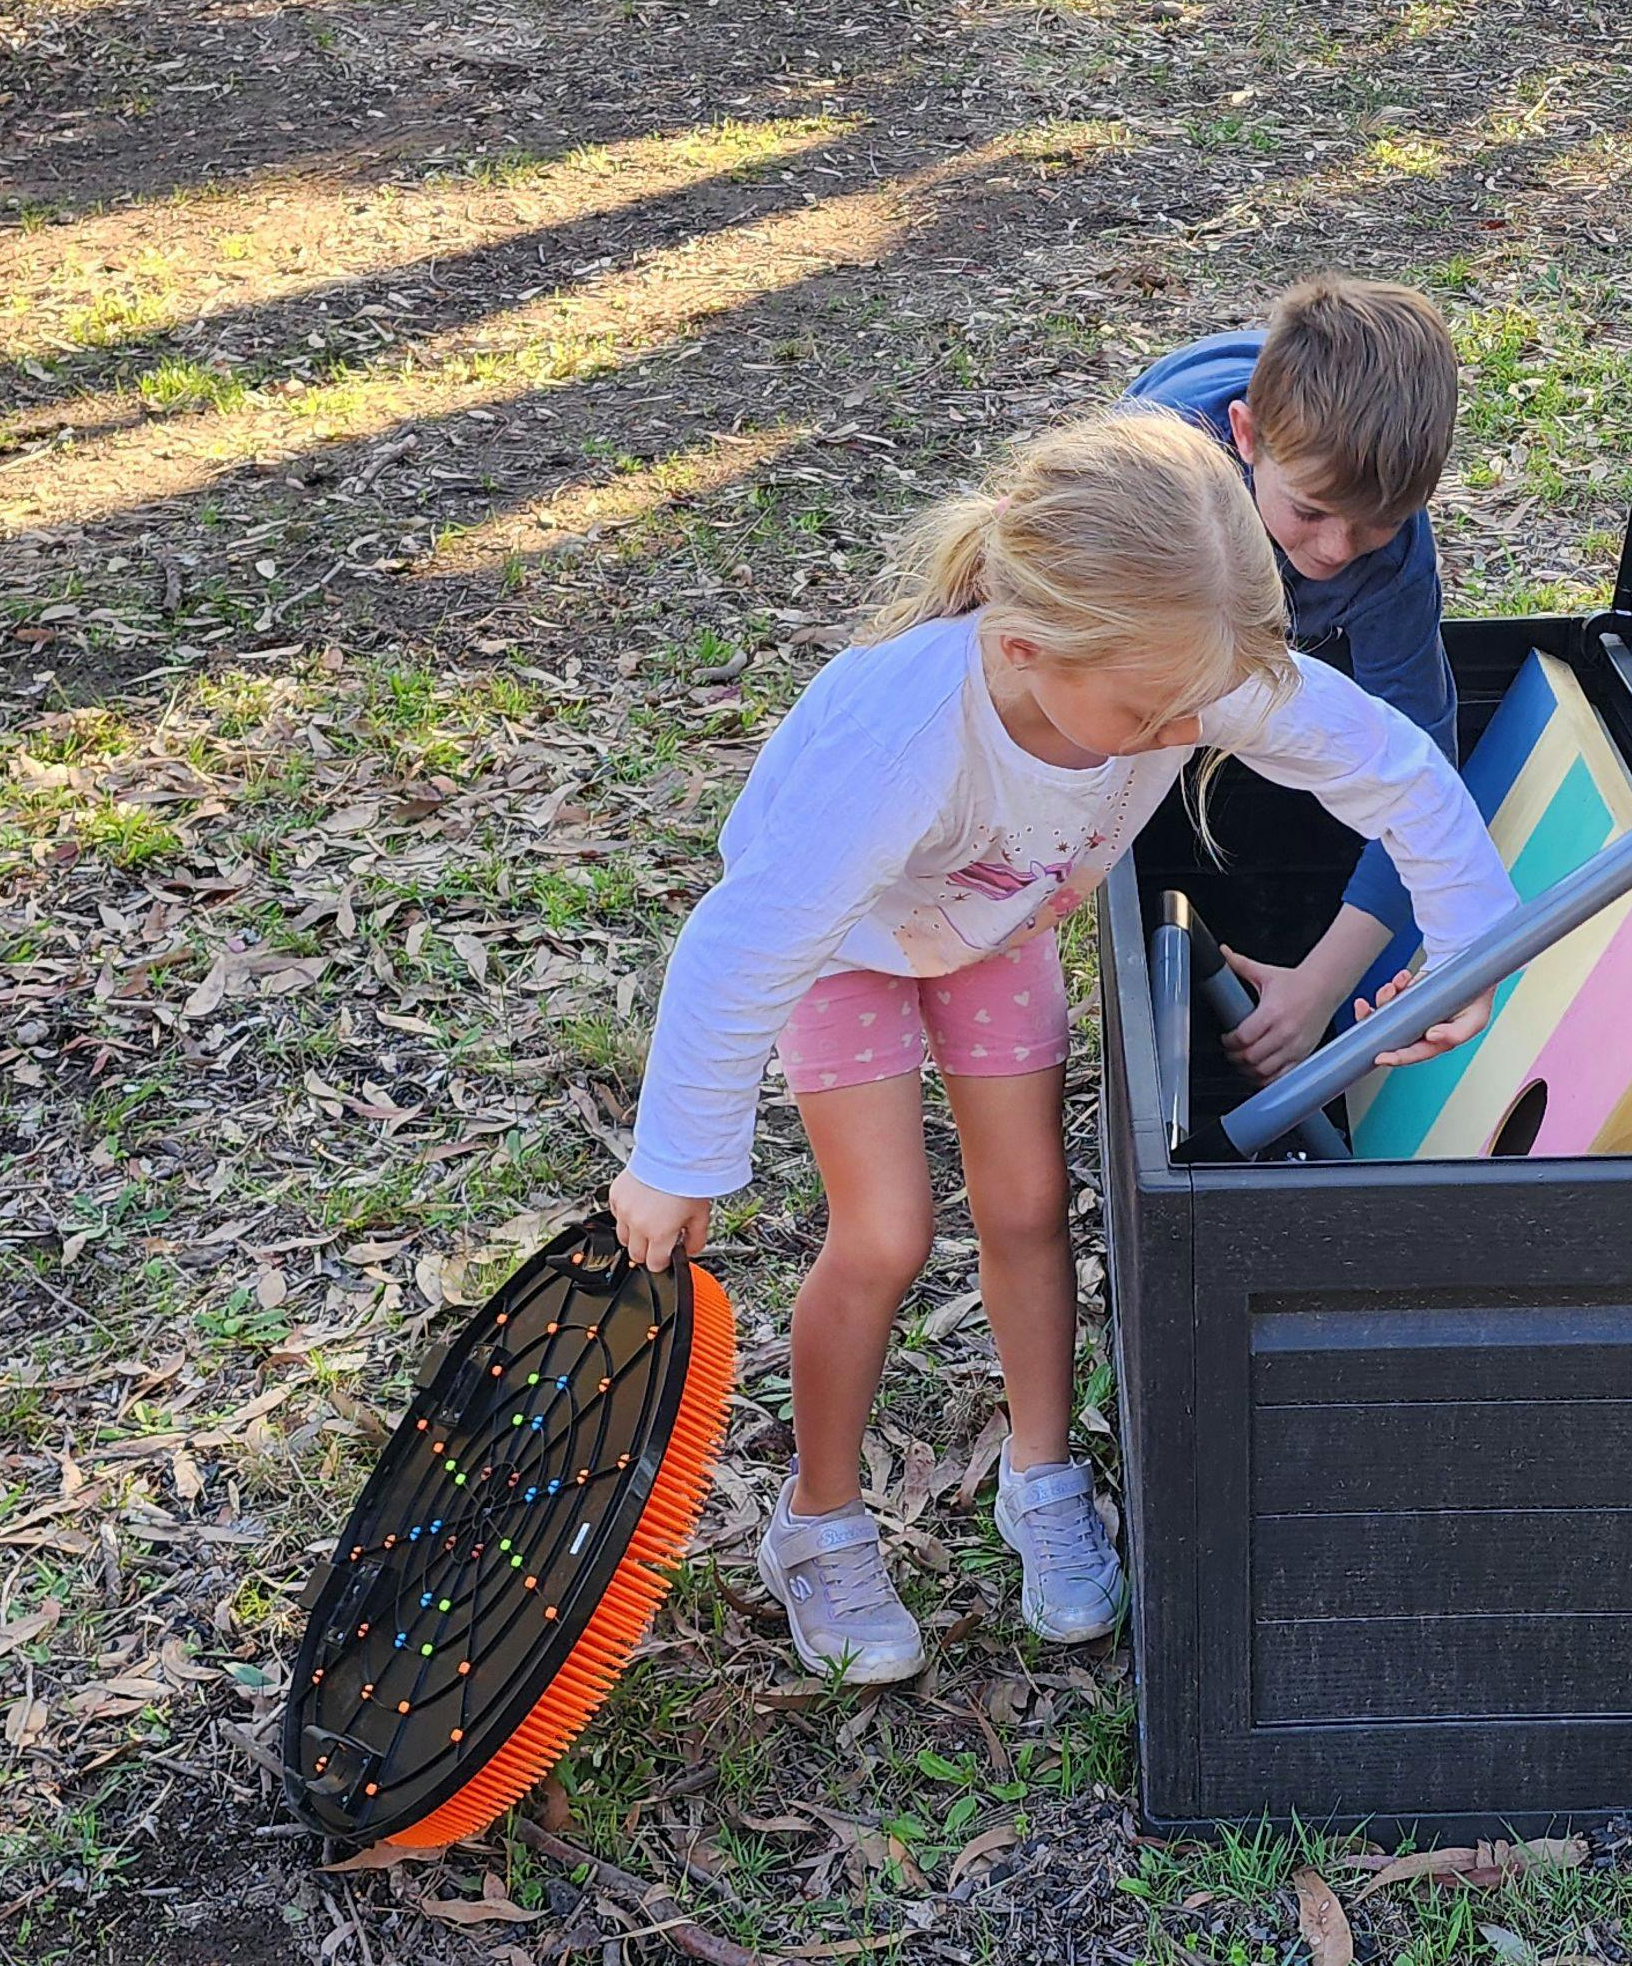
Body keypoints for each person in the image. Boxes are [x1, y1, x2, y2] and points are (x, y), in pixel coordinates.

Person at [605, 409, 1519, 1683]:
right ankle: (817, 1519)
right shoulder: (901, 741)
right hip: (848, 948)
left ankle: (1040, 1475)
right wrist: (677, 1159)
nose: (1182, 734)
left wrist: (1471, 936)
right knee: (886, 1234)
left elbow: (1393, 768)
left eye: (1196, 712)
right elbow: (743, 945)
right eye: (1151, 715)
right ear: (1026, 647)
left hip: (994, 927)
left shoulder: (1180, 667)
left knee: (1031, 1206)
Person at [1125, 275, 1464, 1082]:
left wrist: (1321, 985)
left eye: (1376, 522)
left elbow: (1423, 768)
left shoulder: (1392, 558)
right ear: (1248, 437)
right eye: (1311, 512)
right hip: (1171, 526)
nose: (1339, 549)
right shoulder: (1149, 480)